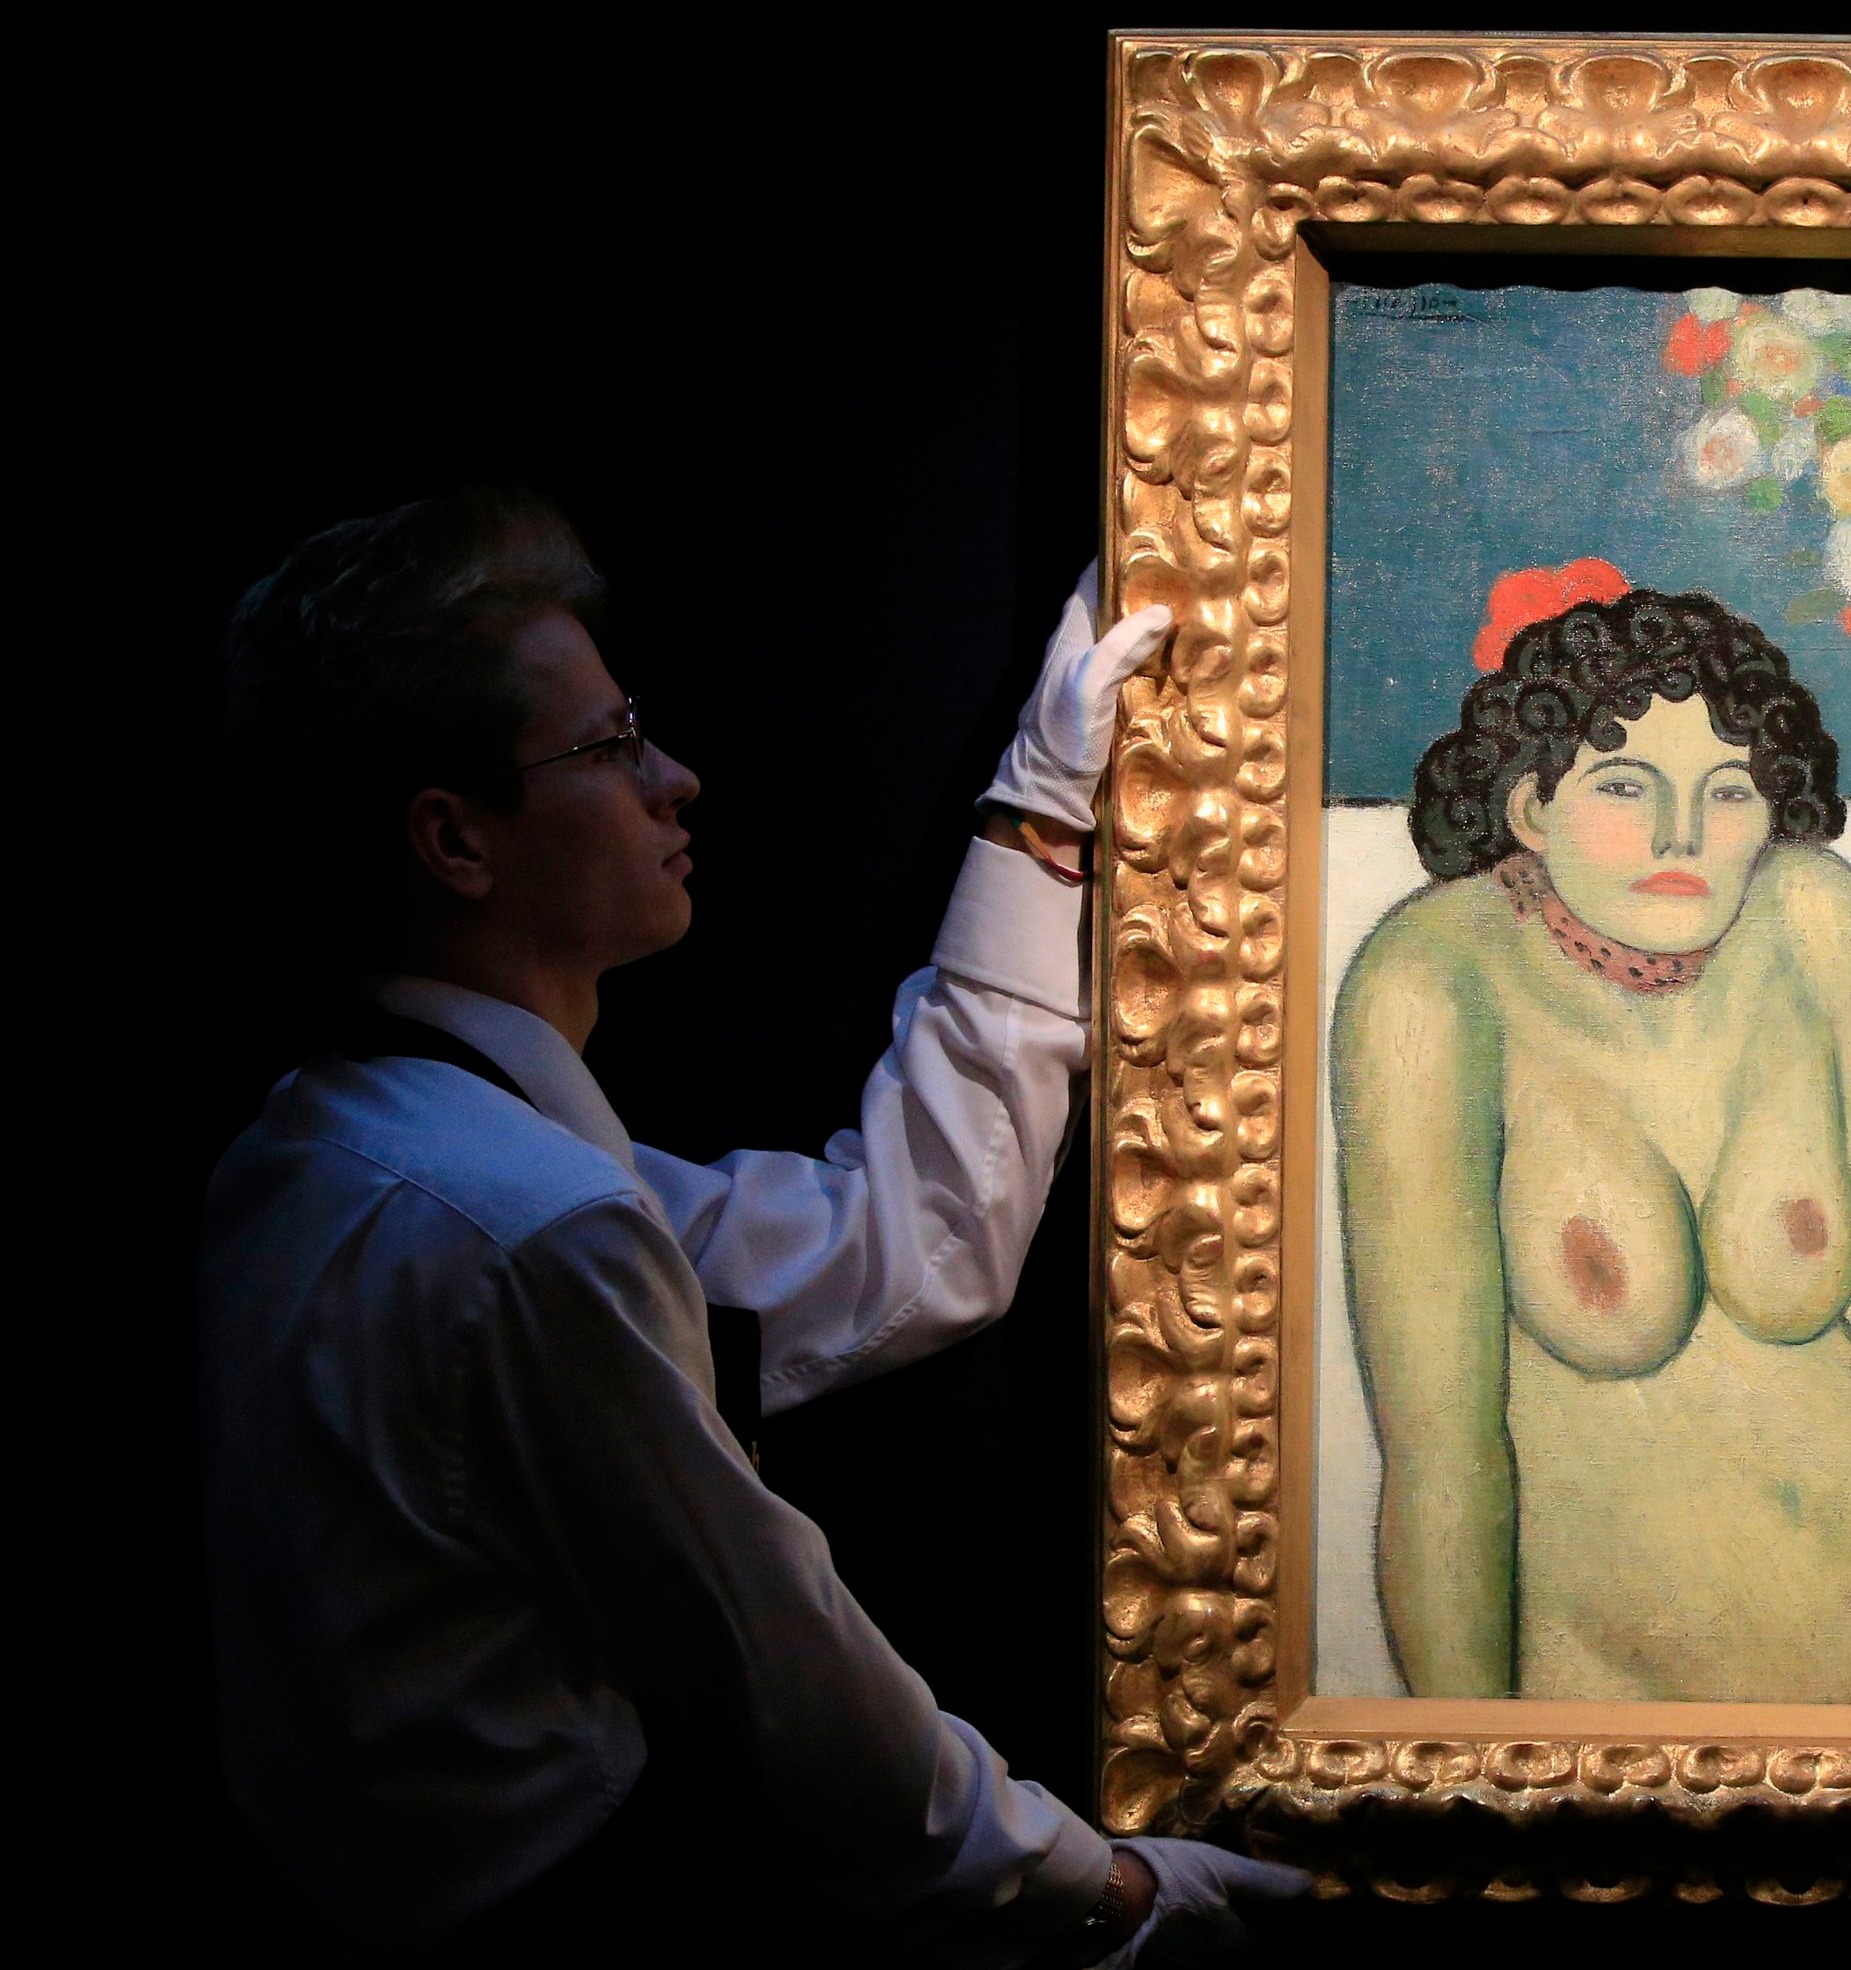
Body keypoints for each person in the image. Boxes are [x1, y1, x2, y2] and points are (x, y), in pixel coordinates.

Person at [198, 488, 1308, 1963]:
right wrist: (1106, 1893)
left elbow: (901, 1251)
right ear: (455, 839)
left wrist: (1039, 811)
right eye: (606, 745)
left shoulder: (338, 1146)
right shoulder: (531, 1225)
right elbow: (789, 1670)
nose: (676, 778)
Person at [1330, 565, 1851, 1702]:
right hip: (1612, 1711)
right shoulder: (1433, 982)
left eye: (1729, 791)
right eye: (1625, 785)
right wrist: (1469, 1768)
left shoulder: (1815, 919)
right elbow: (1440, 1469)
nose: (1683, 834)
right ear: (1530, 805)